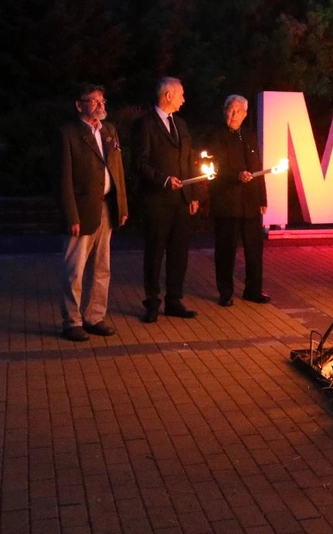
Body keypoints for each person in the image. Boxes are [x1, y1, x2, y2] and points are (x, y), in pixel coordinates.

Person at [53, 85, 127, 341]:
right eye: (93, 101)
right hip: (82, 209)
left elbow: (117, 170)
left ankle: (94, 317)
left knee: (102, 267)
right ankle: (71, 321)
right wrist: (71, 215)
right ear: (79, 105)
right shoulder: (68, 133)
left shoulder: (109, 130)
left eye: (101, 100)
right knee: (74, 269)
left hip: (106, 206)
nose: (99, 105)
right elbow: (63, 179)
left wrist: (122, 205)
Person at [132, 77, 203, 323]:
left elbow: (188, 161)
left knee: (178, 253)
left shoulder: (181, 124)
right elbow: (139, 162)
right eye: (181, 94)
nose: (184, 99)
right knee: (155, 252)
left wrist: (193, 195)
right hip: (157, 200)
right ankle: (152, 302)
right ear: (169, 95)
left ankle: (174, 300)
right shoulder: (145, 124)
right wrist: (163, 179)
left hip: (181, 200)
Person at [205, 95, 269, 306]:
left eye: (237, 111)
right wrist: (237, 175)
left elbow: (258, 166)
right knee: (226, 249)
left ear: (245, 114)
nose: (233, 115)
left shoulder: (249, 136)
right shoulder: (216, 135)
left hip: (250, 202)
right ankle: (225, 292)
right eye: (230, 110)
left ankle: (254, 290)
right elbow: (216, 165)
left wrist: (262, 197)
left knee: (254, 248)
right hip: (227, 201)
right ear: (224, 111)